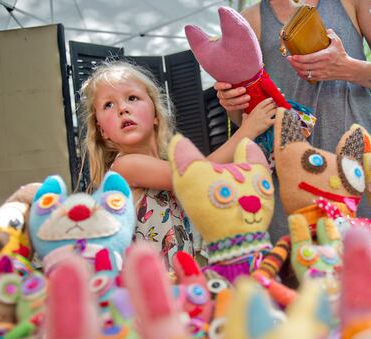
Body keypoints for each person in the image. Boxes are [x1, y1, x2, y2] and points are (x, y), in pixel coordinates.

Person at [215, 0, 371, 241]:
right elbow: (246, 121)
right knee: (301, 268)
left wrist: (346, 68)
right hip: (291, 178)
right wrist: (233, 103)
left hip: (360, 160)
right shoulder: (249, 19)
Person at [79, 61, 276, 269]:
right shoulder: (124, 167)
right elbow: (196, 175)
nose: (122, 108)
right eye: (108, 105)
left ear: (155, 114)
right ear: (102, 130)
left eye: (132, 98)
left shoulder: (165, 164)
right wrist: (247, 131)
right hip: (154, 288)